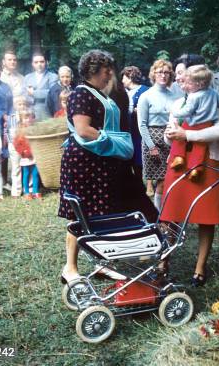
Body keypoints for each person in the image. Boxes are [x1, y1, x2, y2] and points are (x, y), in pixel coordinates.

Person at [58, 50, 157, 283]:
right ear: (93, 71)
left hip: (99, 164)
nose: (111, 74)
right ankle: (70, 268)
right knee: (79, 215)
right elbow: (82, 129)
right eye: (106, 70)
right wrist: (117, 143)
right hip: (83, 165)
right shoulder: (80, 94)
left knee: (99, 216)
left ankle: (100, 263)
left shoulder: (97, 93)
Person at [161, 55, 219, 287]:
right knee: (171, 213)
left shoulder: (212, 100)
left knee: (205, 216)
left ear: (197, 80)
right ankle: (163, 260)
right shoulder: (179, 105)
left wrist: (187, 135)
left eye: (184, 75)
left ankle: (200, 266)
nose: (180, 79)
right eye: (179, 74)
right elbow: (171, 137)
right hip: (179, 164)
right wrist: (172, 136)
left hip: (207, 163)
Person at [169, 65, 219, 180]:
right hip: (206, 124)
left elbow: (187, 111)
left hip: (192, 125)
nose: (184, 83)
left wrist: (174, 112)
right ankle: (196, 168)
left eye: (189, 82)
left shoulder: (193, 97)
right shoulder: (214, 94)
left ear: (200, 84)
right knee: (200, 147)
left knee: (181, 138)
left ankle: (179, 157)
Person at [138, 59, 180, 208]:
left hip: (171, 139)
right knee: (161, 181)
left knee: (173, 178)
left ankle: (171, 213)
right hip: (152, 141)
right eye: (160, 72)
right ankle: (160, 217)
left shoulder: (174, 96)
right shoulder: (146, 96)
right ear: (153, 74)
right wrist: (151, 146)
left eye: (167, 72)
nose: (163, 75)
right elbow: (142, 125)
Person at [121, 66, 148, 180]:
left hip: (139, 131)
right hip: (128, 131)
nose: (122, 81)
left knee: (140, 157)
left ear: (130, 77)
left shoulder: (145, 91)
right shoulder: (123, 92)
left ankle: (146, 184)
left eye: (124, 77)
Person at [12, 110, 41, 200]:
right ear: (21, 120)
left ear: (33, 118)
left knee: (35, 173)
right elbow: (16, 144)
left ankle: (35, 191)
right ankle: (27, 192)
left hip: (34, 156)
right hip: (25, 157)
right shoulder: (20, 131)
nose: (28, 120)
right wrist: (23, 152)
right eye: (25, 118)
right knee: (26, 174)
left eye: (30, 117)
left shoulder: (35, 129)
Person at [6, 95, 29, 197]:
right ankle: (16, 190)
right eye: (20, 104)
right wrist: (13, 144)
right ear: (15, 106)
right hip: (15, 145)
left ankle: (28, 188)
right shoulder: (12, 118)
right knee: (16, 168)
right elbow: (8, 132)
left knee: (28, 166)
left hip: (27, 145)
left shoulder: (29, 116)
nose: (22, 106)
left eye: (24, 104)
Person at [23, 53, 59, 121]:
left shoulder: (53, 77)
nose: (39, 64)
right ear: (32, 64)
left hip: (46, 113)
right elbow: (24, 94)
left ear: (46, 62)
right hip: (29, 114)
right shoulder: (27, 77)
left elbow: (52, 93)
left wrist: (34, 93)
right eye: (36, 62)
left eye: (42, 62)